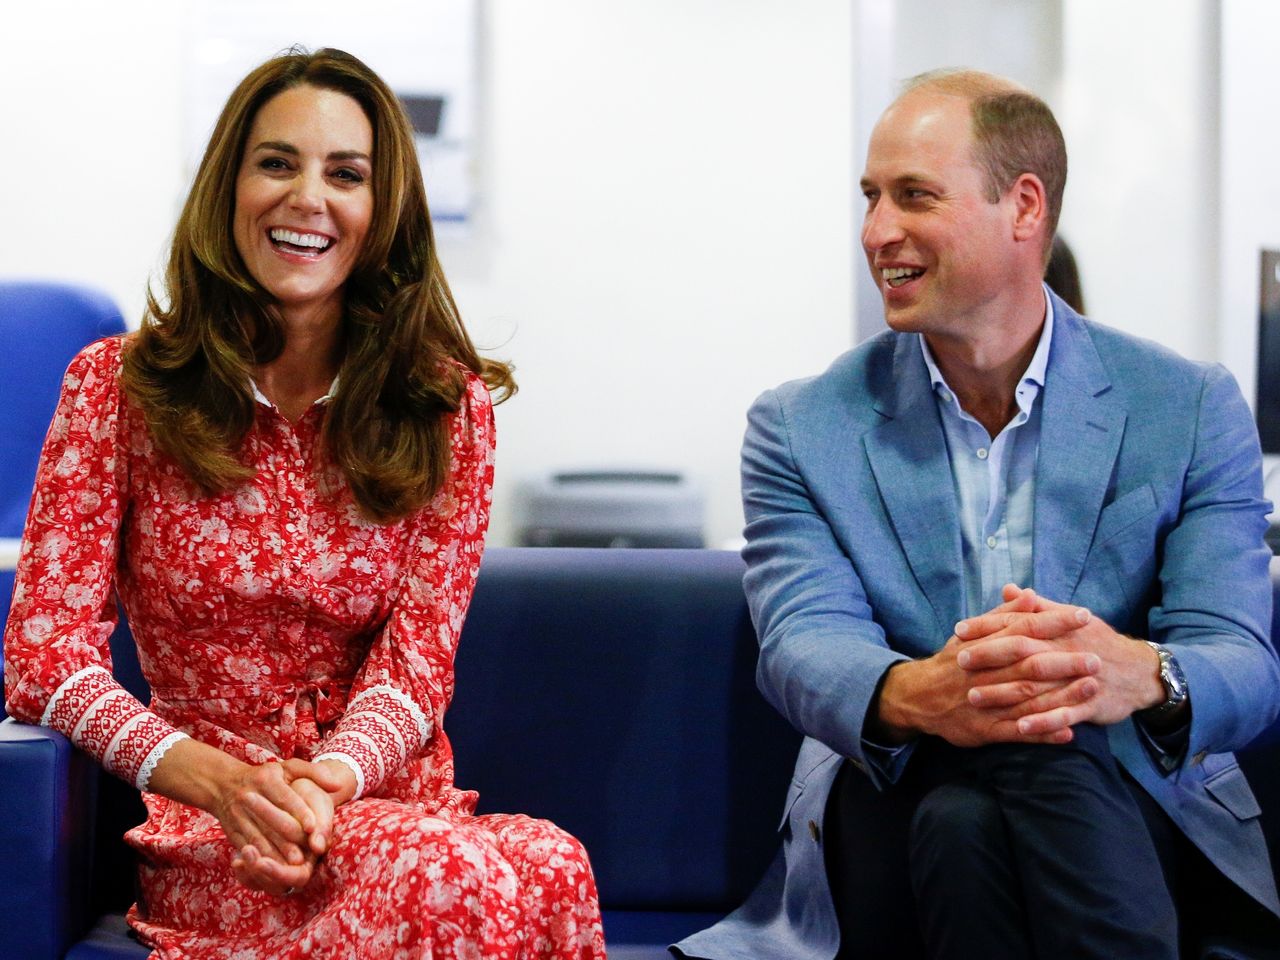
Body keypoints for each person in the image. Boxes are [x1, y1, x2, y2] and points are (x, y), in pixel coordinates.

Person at [3, 47, 605, 960]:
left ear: (384, 210)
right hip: (211, 827)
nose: (308, 198)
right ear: (228, 189)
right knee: (457, 877)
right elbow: (44, 659)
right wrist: (225, 787)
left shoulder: (448, 410)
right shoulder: (114, 390)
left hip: (372, 800)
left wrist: (322, 785)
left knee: (555, 864)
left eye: (346, 174)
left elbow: (414, 671)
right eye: (277, 163)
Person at [675, 69, 1280, 959]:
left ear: (1024, 206)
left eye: (914, 196)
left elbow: (1240, 661)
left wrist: (1129, 672)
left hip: (1122, 799)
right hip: (894, 787)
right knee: (1000, 769)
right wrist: (925, 693)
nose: (878, 232)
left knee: (975, 816)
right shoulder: (801, 425)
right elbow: (803, 643)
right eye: (872, 198)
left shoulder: (1186, 405)